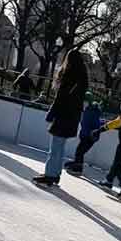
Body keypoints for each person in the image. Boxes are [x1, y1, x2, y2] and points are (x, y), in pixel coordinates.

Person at [33, 49, 89, 187]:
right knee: (60, 147)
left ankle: (50, 175)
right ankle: (55, 174)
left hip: (63, 115)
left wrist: (51, 114)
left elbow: (60, 98)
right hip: (73, 117)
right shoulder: (82, 79)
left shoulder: (69, 75)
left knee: (55, 148)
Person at [64, 93, 104, 176]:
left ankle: (78, 169)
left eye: (84, 101)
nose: (82, 103)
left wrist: (90, 133)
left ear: (88, 101)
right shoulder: (87, 110)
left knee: (80, 152)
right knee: (79, 151)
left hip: (90, 136)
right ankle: (76, 163)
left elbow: (94, 124)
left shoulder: (91, 111)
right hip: (86, 135)